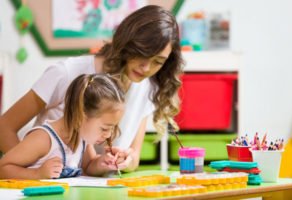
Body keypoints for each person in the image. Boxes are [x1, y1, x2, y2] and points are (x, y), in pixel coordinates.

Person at [0, 5, 183, 172]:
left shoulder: (147, 88)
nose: (146, 68)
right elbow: (4, 127)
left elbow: (134, 156)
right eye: (142, 54)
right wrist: (30, 171)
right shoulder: (67, 73)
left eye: (158, 62)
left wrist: (125, 160)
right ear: (128, 42)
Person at [0, 74, 126, 179]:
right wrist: (36, 173)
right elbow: (3, 168)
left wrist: (102, 163)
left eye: (112, 128)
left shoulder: (82, 137)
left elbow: (88, 166)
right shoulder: (43, 139)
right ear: (81, 115)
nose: (109, 135)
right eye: (104, 128)